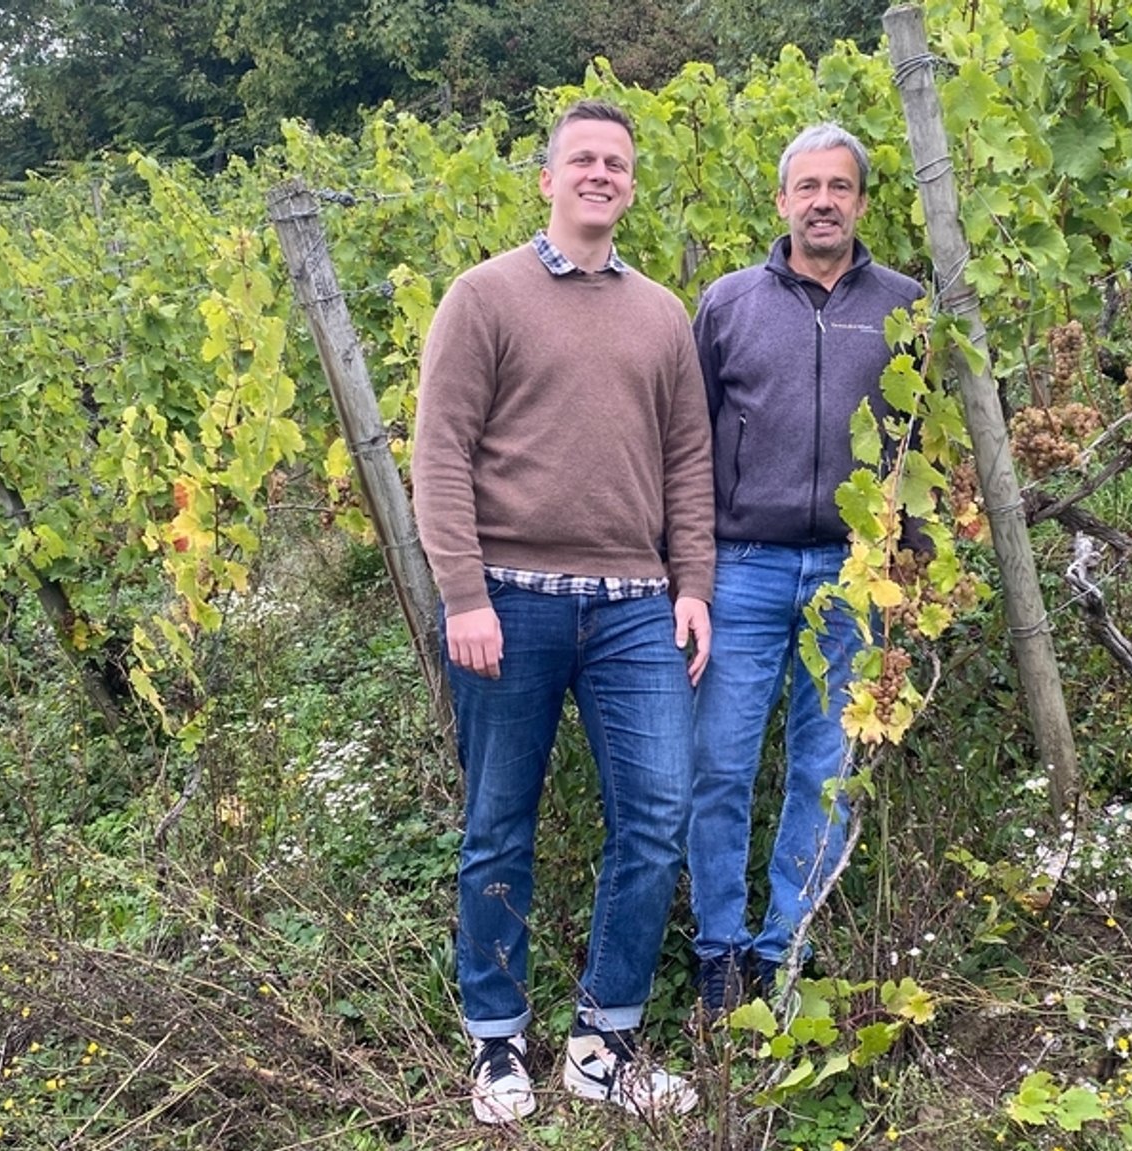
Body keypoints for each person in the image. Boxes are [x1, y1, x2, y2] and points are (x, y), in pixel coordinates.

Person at [411, 99, 714, 1125]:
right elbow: (440, 452)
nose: (599, 174)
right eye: (581, 158)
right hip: (509, 601)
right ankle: (497, 1039)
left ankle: (601, 1041)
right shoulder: (483, 296)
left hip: (635, 608)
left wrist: (693, 584)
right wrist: (463, 592)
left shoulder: (661, 314)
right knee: (499, 825)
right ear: (547, 179)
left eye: (615, 162)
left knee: (657, 815)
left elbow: (688, 461)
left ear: (630, 185)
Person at [687, 123, 923, 1014]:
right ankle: (718, 950)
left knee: (825, 769)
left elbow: (922, 442)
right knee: (719, 765)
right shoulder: (727, 304)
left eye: (840, 186)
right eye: (808, 187)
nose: (823, 202)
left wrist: (913, 564)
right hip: (742, 568)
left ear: (861, 202)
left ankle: (787, 945)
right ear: (782, 199)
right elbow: (686, 442)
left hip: (856, 572)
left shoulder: (905, 306)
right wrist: (688, 568)